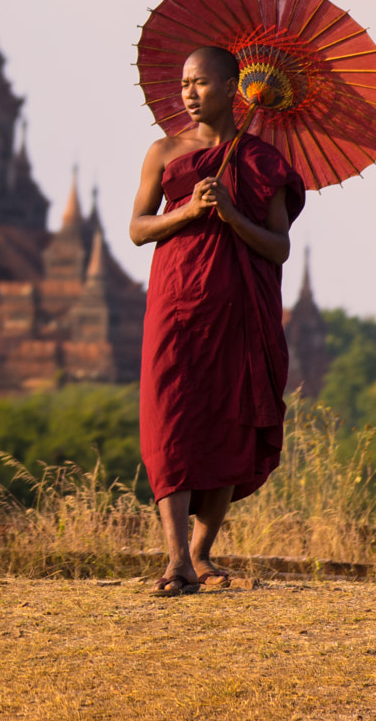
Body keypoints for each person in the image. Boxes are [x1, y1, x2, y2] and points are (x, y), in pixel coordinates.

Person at [128, 45, 305, 596]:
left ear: (234, 88)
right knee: (169, 419)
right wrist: (188, 211)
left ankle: (201, 555)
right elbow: (137, 228)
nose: (188, 93)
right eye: (183, 83)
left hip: (238, 307)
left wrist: (230, 213)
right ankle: (175, 557)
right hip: (176, 304)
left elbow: (278, 247)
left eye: (200, 83)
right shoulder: (164, 152)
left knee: (230, 417)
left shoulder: (262, 164)